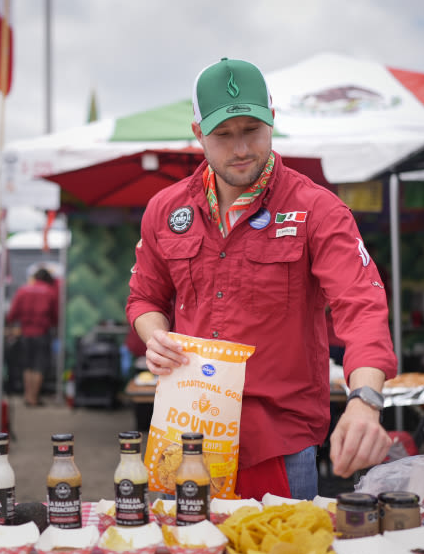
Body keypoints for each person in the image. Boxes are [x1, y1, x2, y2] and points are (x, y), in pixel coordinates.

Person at [126, 58, 397, 500]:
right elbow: (144, 297)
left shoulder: (318, 209)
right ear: (198, 133)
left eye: (252, 129)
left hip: (279, 447)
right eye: (223, 135)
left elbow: (363, 308)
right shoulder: (165, 209)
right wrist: (155, 335)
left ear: (273, 119)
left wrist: (365, 402)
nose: (240, 149)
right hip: (186, 438)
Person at [6, 267, 58, 406]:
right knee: (39, 366)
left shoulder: (23, 290)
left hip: (25, 334)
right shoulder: (50, 292)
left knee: (27, 365)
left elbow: (12, 313)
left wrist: (11, 325)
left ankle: (27, 396)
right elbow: (55, 315)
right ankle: (34, 398)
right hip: (42, 333)